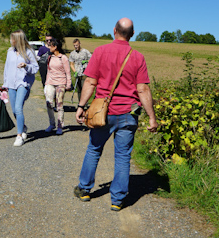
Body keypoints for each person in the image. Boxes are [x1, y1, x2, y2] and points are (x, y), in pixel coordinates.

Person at [74, 18, 158, 210]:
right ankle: (117, 200)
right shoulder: (137, 57)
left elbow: (90, 82)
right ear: (133, 34)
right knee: (122, 156)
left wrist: (81, 106)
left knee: (94, 149)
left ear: (114, 31)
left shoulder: (101, 52)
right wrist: (152, 117)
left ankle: (85, 190)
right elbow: (143, 89)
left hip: (103, 112)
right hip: (129, 113)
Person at [2, 30, 39, 146]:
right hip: (11, 84)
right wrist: (5, 84)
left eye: (12, 39)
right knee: (14, 110)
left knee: (18, 108)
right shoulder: (10, 51)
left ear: (18, 40)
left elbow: (35, 68)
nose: (10, 41)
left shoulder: (29, 51)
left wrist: (26, 66)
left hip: (23, 83)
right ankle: (22, 127)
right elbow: (7, 68)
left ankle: (19, 136)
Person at [44, 38, 71, 135]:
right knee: (49, 104)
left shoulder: (63, 58)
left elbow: (68, 72)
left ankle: (60, 126)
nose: (49, 47)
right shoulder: (49, 57)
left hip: (61, 83)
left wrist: (68, 84)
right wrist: (47, 83)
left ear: (55, 47)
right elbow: (48, 71)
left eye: (50, 45)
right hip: (50, 83)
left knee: (59, 105)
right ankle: (52, 124)